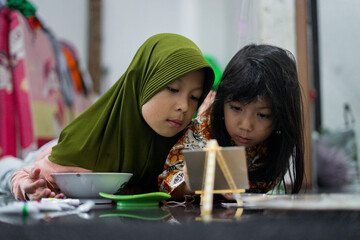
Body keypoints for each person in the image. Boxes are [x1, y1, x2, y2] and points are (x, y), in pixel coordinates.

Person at [7, 33, 215, 200]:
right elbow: (26, 176)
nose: (184, 106)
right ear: (141, 82)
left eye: (194, 97)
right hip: (45, 154)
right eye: (172, 88)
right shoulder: (87, 143)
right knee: (9, 168)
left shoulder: (184, 142)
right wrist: (26, 185)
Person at [158, 44, 304, 200]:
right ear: (222, 104)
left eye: (262, 115)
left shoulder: (275, 142)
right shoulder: (205, 127)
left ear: (281, 117)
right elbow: (165, 184)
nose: (246, 125)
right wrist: (189, 183)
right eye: (236, 108)